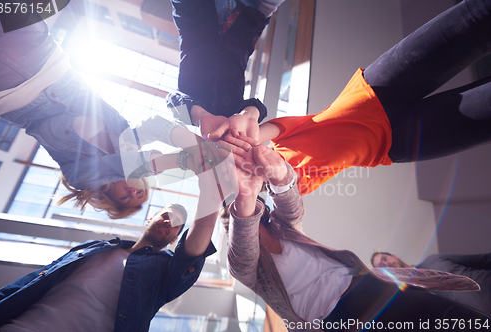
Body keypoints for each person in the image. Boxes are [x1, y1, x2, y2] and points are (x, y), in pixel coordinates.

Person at [181, 0, 491, 196]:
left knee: (476, 18)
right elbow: (283, 188)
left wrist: (247, 114)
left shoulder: (270, 141)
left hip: (372, 91)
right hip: (398, 143)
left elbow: (256, 125)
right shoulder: (284, 188)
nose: (235, 163)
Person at [222, 134, 489, 332]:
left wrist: (279, 176)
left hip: (366, 287)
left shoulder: (284, 227)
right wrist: (243, 194)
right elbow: (244, 246)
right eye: (237, 208)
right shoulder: (243, 267)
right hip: (339, 322)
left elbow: (291, 204)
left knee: (458, 320)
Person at [0, 6, 215, 219]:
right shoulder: (128, 137)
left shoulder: (80, 177)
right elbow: (156, 125)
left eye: (126, 198)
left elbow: (126, 166)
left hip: (5, 93)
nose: (132, 191)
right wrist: (199, 147)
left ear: (109, 198)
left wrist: (185, 161)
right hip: (44, 59)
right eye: (139, 193)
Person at [0, 152, 232, 332]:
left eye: (177, 223)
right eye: (166, 215)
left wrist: (211, 194)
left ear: (176, 238)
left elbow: (191, 254)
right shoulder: (92, 248)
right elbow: (29, 283)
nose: (169, 221)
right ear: (151, 217)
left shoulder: (163, 269)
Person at [166, 0, 288, 140]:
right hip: (244, 21)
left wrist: (201, 116)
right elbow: (257, 105)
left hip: (197, 15)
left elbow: (172, 99)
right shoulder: (235, 117)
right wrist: (249, 115)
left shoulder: (189, 114)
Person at [372, 252, 491, 317]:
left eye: (385, 258)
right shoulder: (412, 297)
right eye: (382, 267)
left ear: (394, 256)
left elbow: (484, 260)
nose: (386, 264)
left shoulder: (434, 260)